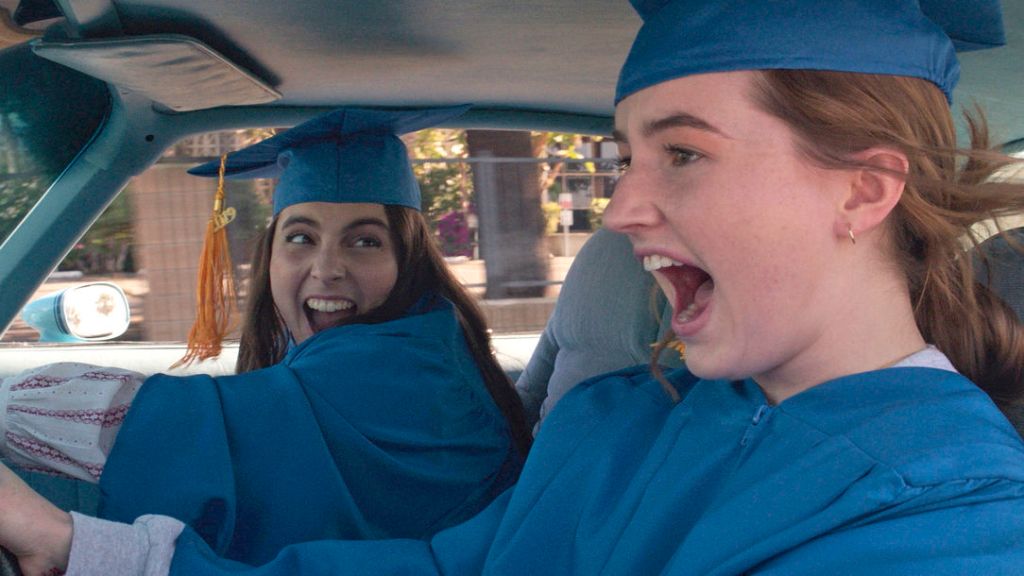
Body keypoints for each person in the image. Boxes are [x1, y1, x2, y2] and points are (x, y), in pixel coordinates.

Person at [3, 0, 1024, 574]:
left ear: (865, 188)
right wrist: (76, 546)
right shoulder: (620, 421)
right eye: (625, 157)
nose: (621, 213)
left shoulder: (955, 520)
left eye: (681, 156)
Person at [0, 106, 530, 567]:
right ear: (270, 254)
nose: (328, 268)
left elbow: (149, 426)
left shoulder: (404, 376)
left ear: (407, 259)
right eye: (301, 237)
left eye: (364, 241)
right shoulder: (435, 345)